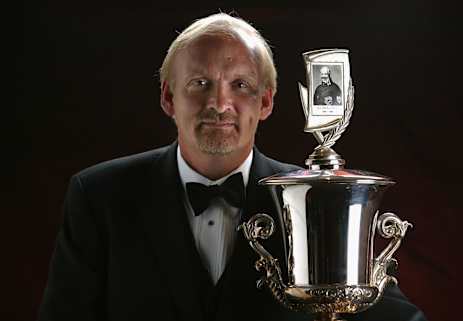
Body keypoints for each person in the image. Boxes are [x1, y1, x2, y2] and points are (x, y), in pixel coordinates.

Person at [38, 13, 427, 321]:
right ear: (168, 98)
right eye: (200, 83)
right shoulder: (98, 196)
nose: (220, 103)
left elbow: (397, 315)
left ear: (266, 102)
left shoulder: (316, 200)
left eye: (240, 85)